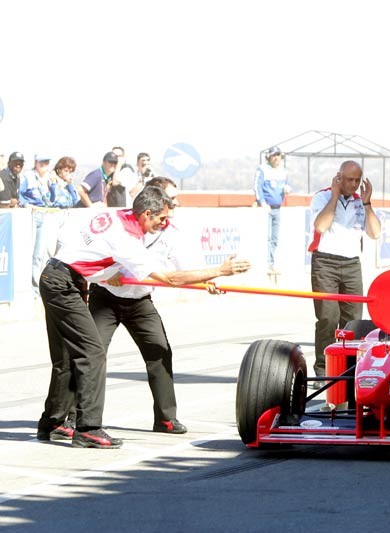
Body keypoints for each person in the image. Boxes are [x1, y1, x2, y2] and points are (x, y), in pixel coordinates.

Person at [36, 186, 252, 448]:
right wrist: (220, 269)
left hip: (59, 277)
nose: (164, 223)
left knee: (69, 355)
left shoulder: (114, 216)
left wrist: (102, 272)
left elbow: (82, 247)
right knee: (92, 353)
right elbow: (170, 278)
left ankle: (53, 424)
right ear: (147, 213)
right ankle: (88, 428)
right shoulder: (127, 239)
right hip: (66, 285)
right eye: (161, 218)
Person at [88, 176, 208, 434]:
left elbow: (183, 269)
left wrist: (208, 280)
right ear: (154, 201)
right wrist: (106, 274)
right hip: (105, 297)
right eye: (171, 199)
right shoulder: (119, 222)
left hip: (140, 300)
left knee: (160, 351)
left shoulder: (172, 234)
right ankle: (78, 419)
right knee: (90, 355)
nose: (175, 205)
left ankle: (165, 418)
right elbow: (92, 253)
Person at [308, 160, 380, 386]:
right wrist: (335, 196)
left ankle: (350, 371)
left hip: (351, 264)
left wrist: (367, 204)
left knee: (353, 322)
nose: (354, 184)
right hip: (325, 262)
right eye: (349, 179)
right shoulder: (322, 197)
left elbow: (375, 233)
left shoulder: (361, 202)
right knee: (329, 318)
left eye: (357, 180)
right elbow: (320, 226)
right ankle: (323, 370)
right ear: (339, 177)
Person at [19, 154, 55, 296]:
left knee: (44, 253)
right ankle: (32, 287)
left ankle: (40, 286)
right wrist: (26, 204)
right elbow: (19, 193)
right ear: (36, 162)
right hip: (32, 214)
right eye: (42, 162)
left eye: (46, 161)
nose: (44, 164)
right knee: (32, 252)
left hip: (46, 213)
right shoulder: (28, 176)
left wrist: (52, 186)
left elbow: (52, 199)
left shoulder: (49, 178)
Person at [254, 146, 290, 272]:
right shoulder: (263, 169)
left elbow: (287, 184)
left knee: (275, 238)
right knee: (266, 237)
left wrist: (287, 188)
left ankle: (272, 262)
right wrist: (262, 202)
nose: (276, 158)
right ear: (269, 157)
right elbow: (257, 187)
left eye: (278, 155)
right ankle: (265, 263)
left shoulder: (283, 171)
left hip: (277, 208)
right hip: (266, 208)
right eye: (274, 155)